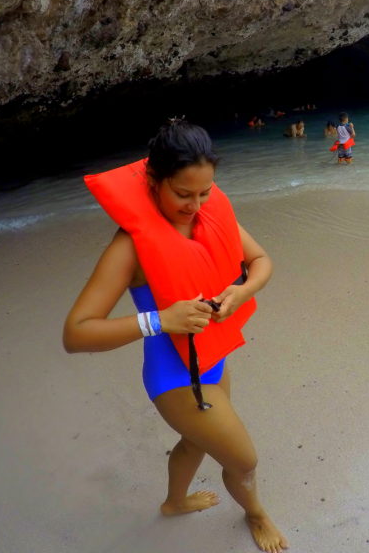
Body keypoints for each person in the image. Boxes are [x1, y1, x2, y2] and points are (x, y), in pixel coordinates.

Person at [63, 121, 288, 553]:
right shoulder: (130, 248)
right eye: (183, 194)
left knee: (196, 439)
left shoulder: (209, 211)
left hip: (213, 356)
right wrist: (159, 320)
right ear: (153, 181)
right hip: (176, 378)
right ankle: (255, 513)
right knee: (243, 460)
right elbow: (76, 334)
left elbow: (260, 260)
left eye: (204, 192)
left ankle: (173, 503)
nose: (196, 205)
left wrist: (241, 291)